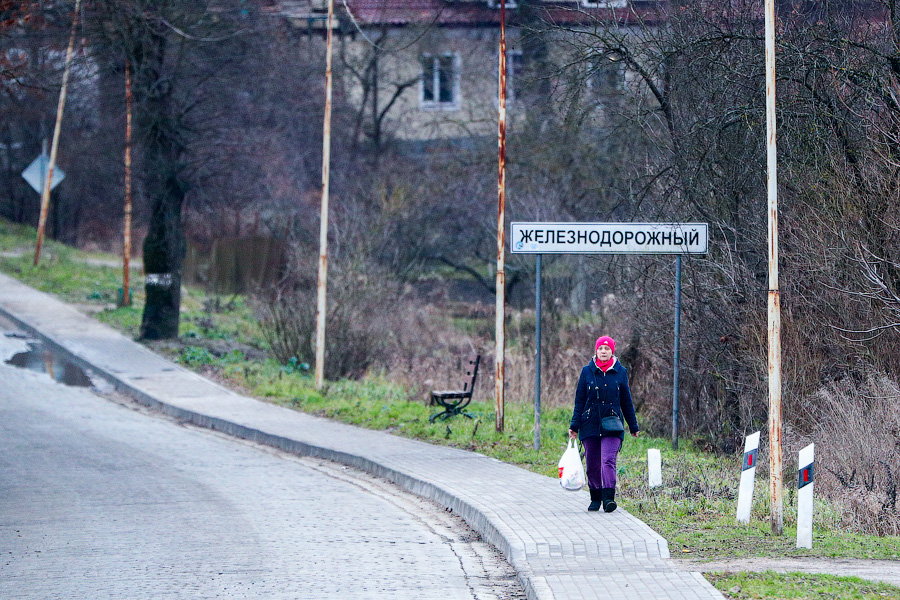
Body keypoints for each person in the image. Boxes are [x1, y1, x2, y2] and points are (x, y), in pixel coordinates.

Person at [568, 335, 639, 512]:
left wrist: (633, 426)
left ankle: (608, 498)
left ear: (612, 351)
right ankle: (595, 497)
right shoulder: (587, 371)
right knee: (592, 464)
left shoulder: (620, 372)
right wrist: (574, 425)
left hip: (613, 424)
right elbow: (580, 400)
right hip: (589, 423)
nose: (604, 351)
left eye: (607, 349)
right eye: (601, 348)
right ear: (596, 350)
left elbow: (626, 401)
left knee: (608, 461)